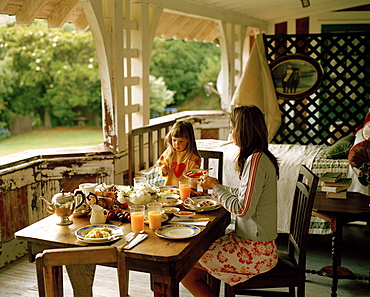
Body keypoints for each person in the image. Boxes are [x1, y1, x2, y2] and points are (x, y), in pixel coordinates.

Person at [181, 105, 279, 297]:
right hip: (257, 245)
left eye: (232, 128)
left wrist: (215, 189)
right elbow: (247, 196)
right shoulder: (259, 156)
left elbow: (243, 209)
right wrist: (219, 187)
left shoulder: (255, 161)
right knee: (190, 263)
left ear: (244, 130)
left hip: (255, 252)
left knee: (185, 265)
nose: (230, 132)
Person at [158, 120, 201, 191]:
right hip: (168, 190)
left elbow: (194, 177)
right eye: (174, 140)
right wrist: (163, 169)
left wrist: (192, 189)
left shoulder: (193, 158)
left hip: (186, 191)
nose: (177, 144)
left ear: (189, 141)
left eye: (181, 141)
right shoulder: (168, 153)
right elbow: (160, 166)